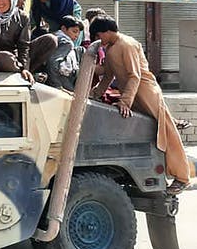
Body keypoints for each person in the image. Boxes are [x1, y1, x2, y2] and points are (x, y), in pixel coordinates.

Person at [90, 16, 192, 195]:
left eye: (99, 34)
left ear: (107, 31)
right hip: (133, 94)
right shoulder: (112, 48)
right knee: (150, 133)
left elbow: (134, 75)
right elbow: (108, 75)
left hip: (145, 92)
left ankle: (182, 177)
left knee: (166, 131)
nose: (99, 38)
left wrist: (125, 101)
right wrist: (95, 94)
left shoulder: (126, 44)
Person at [46, 16, 84, 91]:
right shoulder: (66, 43)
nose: (77, 35)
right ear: (63, 28)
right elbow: (53, 62)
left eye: (78, 33)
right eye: (74, 31)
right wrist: (57, 85)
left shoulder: (54, 36)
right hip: (60, 83)